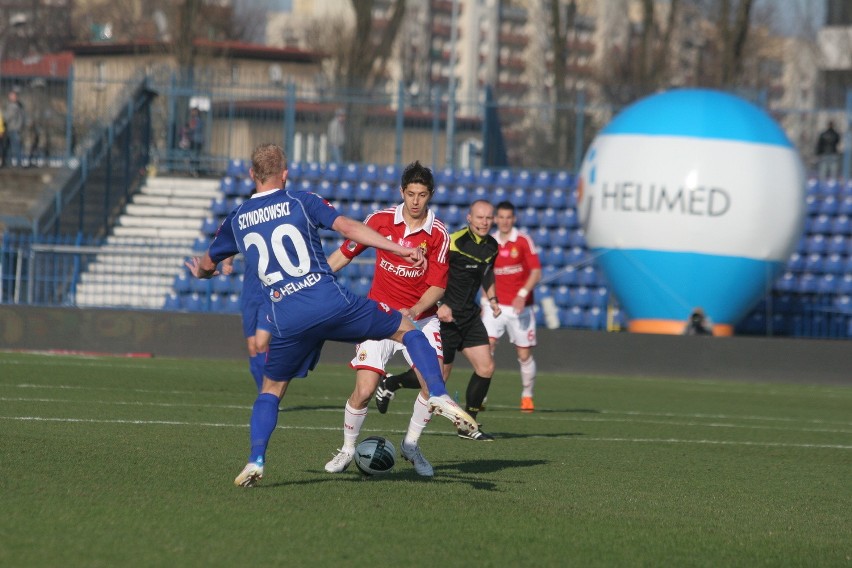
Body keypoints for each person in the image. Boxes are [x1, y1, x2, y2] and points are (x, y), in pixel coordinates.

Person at [184, 143, 478, 487]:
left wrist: (207, 271)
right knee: (404, 327)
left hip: (287, 316)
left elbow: (206, 265)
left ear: (252, 175)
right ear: (285, 173)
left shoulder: (236, 219)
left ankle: (256, 460)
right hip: (329, 301)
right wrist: (400, 248)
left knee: (272, 388)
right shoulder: (300, 200)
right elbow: (349, 229)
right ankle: (438, 393)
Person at [322, 160, 450, 477]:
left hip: (419, 319)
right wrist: (315, 280)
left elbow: (438, 285)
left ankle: (411, 446)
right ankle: (348, 449)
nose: (416, 201)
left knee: (433, 386)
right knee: (364, 390)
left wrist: (414, 311)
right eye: (410, 193)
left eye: (422, 194)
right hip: (379, 317)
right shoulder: (379, 221)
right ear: (402, 192)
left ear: (430, 194)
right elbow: (344, 253)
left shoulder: (438, 234)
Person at [375, 200, 501, 441]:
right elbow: (431, 274)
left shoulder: (492, 246)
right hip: (445, 317)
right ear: (469, 218)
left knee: (486, 367)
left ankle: (469, 425)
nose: (484, 222)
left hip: (469, 317)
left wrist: (492, 298)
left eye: (488, 218)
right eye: (479, 217)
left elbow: (486, 273)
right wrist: (440, 305)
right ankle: (392, 382)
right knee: (438, 377)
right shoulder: (453, 242)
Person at [480, 201, 542, 413]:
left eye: (509, 217)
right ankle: (481, 396)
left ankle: (527, 395)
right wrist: (485, 301)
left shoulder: (523, 241)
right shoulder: (490, 242)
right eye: (501, 217)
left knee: (524, 355)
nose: (505, 221)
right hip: (494, 305)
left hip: (520, 307)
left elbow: (535, 271)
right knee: (487, 348)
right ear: (496, 219)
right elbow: (483, 274)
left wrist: (522, 295)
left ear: (513, 219)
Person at [3, 90, 24, 168]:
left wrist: (2, 117)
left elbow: (7, 117)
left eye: (13, 96)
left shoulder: (13, 106)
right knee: (9, 146)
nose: (11, 97)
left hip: (13, 128)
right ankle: (9, 162)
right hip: (13, 128)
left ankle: (17, 163)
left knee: (15, 146)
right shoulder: (18, 105)